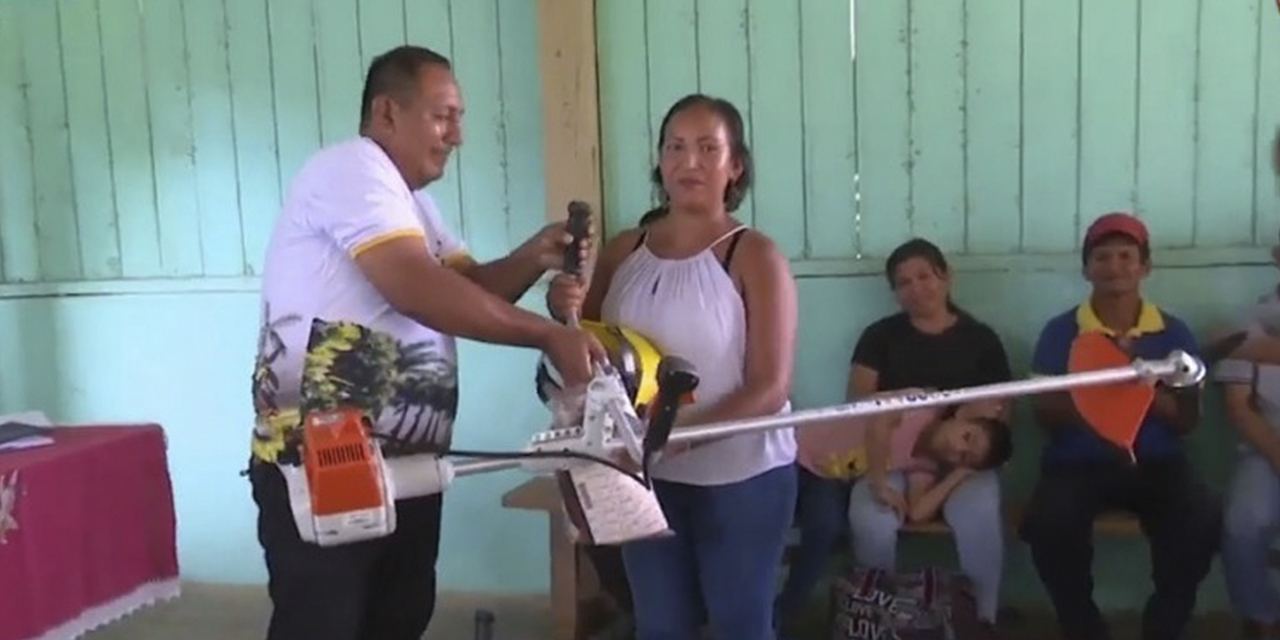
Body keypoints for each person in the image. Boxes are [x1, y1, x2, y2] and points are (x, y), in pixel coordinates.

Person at [245, 45, 604, 640]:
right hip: (323, 461)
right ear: (387, 113)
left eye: (458, 118)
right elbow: (415, 287)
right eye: (444, 115)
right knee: (326, 624)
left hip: (405, 466)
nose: (456, 135)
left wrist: (533, 256)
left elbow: (464, 289)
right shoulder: (352, 168)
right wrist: (545, 334)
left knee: (398, 618)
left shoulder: (416, 205)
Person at [547, 93, 799, 640]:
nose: (690, 162)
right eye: (676, 147)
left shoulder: (755, 255)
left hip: (745, 478)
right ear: (660, 161)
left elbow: (771, 385)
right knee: (661, 626)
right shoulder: (622, 251)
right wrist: (558, 307)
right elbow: (583, 347)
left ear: (735, 166)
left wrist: (680, 431)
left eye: (709, 148)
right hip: (647, 475)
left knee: (741, 625)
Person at [775, 238, 1013, 634]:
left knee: (981, 512)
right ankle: (876, 611)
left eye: (925, 276)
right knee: (870, 517)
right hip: (888, 455)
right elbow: (863, 405)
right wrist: (881, 474)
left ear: (946, 276)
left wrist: (966, 459)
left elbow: (999, 415)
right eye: (904, 282)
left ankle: (982, 618)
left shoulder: (981, 339)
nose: (917, 288)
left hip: (967, 452)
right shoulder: (881, 336)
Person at [1019, 212, 1220, 640]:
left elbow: (1186, 421)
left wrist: (1143, 393)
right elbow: (1045, 414)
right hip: (1077, 463)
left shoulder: (1173, 331)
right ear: (1086, 268)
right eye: (1102, 257)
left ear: (1145, 267)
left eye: (1126, 256)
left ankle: (1164, 626)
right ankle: (1082, 626)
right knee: (1048, 521)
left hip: (1158, 463)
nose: (1114, 266)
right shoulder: (1061, 332)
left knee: (1200, 519)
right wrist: (1116, 390)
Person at [1216, 230, 1280, 640]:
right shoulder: (1249, 324)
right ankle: (1263, 619)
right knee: (1243, 523)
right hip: (1268, 446)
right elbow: (1239, 407)